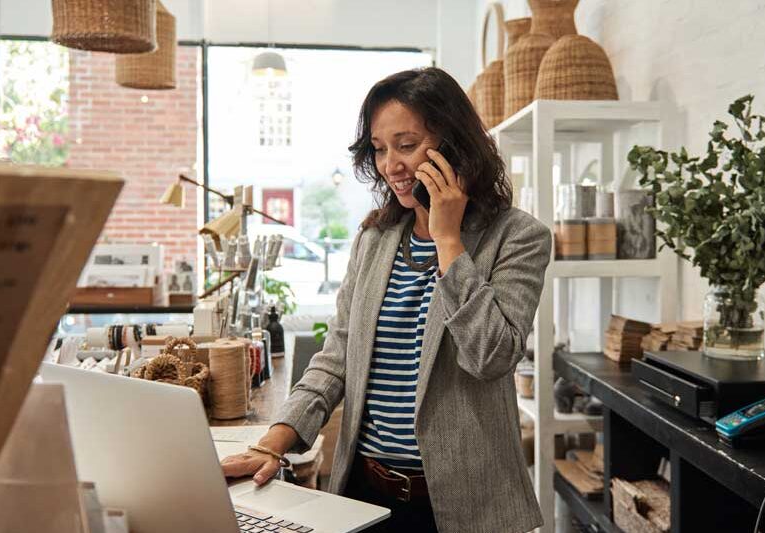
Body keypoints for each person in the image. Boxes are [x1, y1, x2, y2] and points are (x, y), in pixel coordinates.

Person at [221, 67, 552, 532]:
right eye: (379, 148)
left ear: (453, 144)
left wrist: (448, 241)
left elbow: (491, 357)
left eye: (407, 144)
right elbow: (336, 358)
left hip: (464, 507)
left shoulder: (518, 237)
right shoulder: (375, 239)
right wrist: (270, 444)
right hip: (364, 495)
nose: (390, 164)